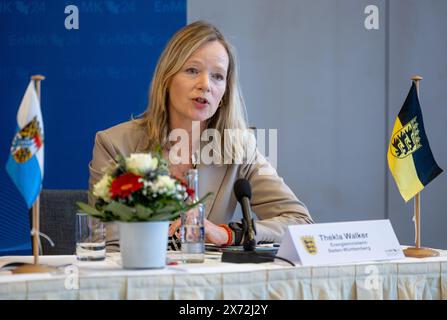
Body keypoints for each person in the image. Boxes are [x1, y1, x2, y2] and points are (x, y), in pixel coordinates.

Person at [88, 21, 313, 251]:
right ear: (167, 79)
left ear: (225, 93)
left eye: (217, 76)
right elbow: (107, 245)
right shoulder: (114, 145)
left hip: (207, 284)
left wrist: (228, 234)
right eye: (192, 70)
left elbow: (299, 221)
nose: (205, 85)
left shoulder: (240, 148)